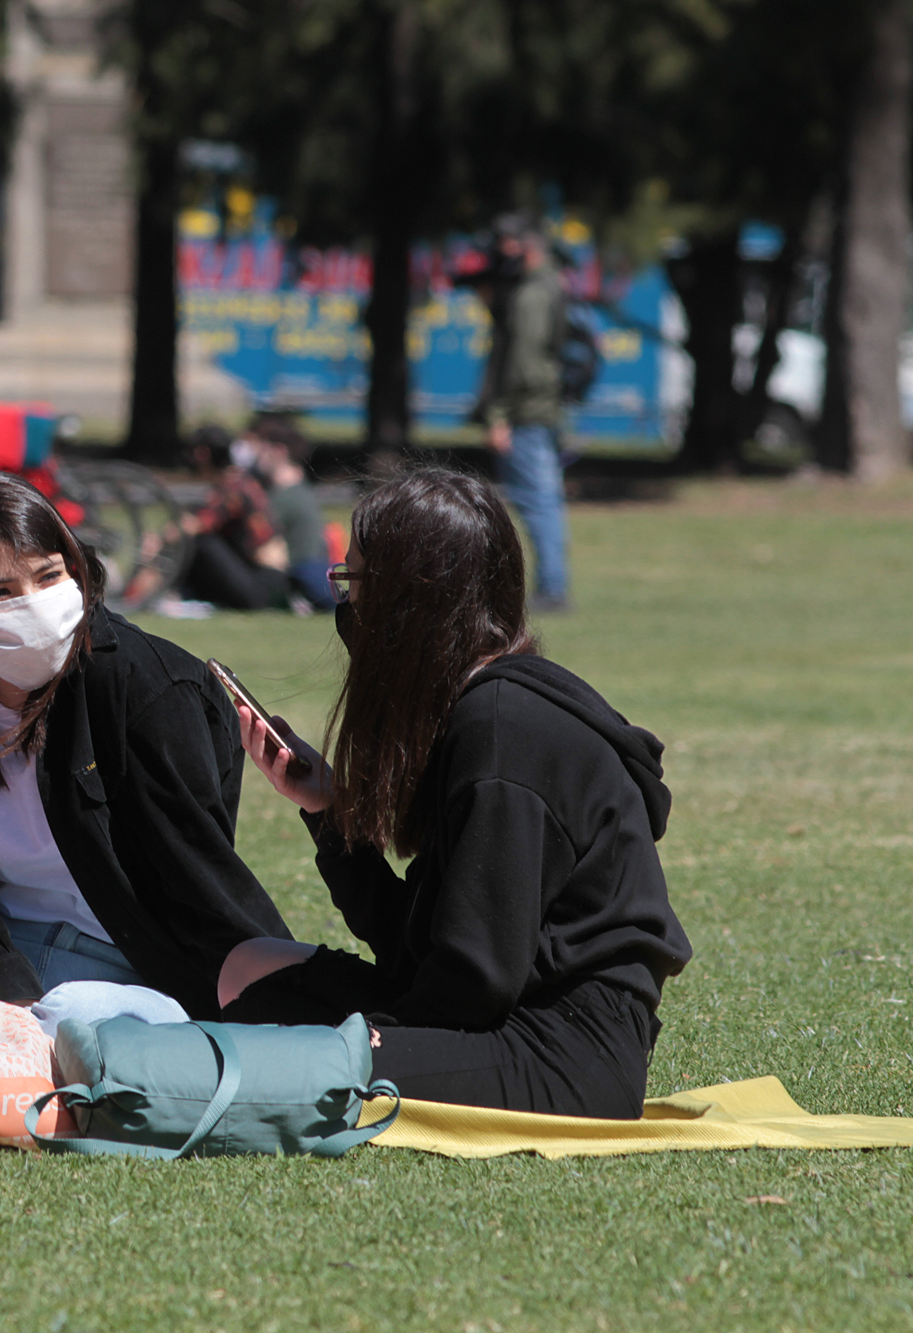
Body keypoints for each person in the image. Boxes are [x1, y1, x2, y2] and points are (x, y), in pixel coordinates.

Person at [219, 468, 691, 1117]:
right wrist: (328, 811)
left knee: (276, 1056)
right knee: (249, 968)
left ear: (409, 603)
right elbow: (422, 945)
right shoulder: (478, 710)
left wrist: (373, 1036)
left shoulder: (500, 729)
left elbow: (474, 981)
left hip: (562, 1055)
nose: (346, 607)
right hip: (497, 1019)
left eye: (353, 584)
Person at [0, 470, 295, 1019]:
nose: (35, 605)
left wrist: (289, 1002)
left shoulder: (149, 691)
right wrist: (2, 992)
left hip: (129, 973)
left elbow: (200, 888)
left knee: (72, 1021)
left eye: (48, 576)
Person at [476, 216, 572, 611]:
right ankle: (552, 584)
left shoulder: (531, 294)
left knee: (538, 501)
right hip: (542, 410)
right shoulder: (552, 286)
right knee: (543, 499)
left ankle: (552, 588)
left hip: (527, 414)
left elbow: (523, 365)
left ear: (525, 248)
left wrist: (500, 414)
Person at [173, 424, 291, 612]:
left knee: (204, 543)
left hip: (263, 584)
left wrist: (162, 538)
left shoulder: (234, 488)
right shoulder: (237, 481)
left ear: (202, 454)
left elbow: (197, 525)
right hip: (259, 577)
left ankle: (169, 595)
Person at [244, 413, 336, 612]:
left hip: (298, 576)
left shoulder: (286, 498)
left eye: (262, 448)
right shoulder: (300, 490)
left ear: (278, 451)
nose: (256, 455)